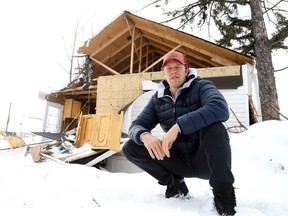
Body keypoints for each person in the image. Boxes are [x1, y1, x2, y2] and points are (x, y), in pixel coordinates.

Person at [122, 51, 236, 216]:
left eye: (178, 67)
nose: (173, 71)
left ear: (186, 70)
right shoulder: (158, 99)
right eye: (169, 68)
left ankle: (224, 195)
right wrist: (144, 135)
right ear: (164, 73)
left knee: (215, 128)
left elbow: (219, 108)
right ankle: (173, 182)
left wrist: (178, 127)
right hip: (177, 161)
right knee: (131, 146)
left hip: (205, 161)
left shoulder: (202, 86)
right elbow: (136, 125)